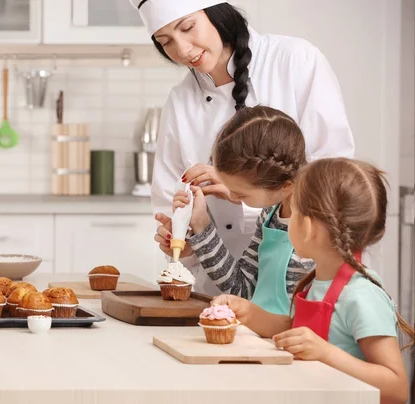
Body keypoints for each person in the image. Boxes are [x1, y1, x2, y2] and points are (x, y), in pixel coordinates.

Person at [129, 0, 354, 294]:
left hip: (302, 283)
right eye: (166, 41)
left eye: (187, 27)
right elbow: (169, 197)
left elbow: (334, 173)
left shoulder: (295, 61)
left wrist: (240, 189)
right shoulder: (180, 100)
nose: (182, 50)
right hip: (222, 289)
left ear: (217, 13)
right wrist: (183, 242)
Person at [213, 158, 414, 404]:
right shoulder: (317, 281)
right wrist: (250, 314)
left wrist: (325, 353)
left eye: (293, 212)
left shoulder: (361, 296)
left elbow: (397, 387)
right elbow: (296, 330)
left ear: (308, 227)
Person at [160, 106, 313, 315]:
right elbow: (242, 290)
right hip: (262, 339)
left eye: (241, 194)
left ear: (285, 185)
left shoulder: (320, 226)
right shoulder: (270, 217)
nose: (231, 197)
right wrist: (201, 225)